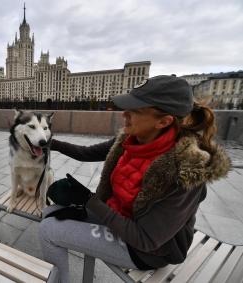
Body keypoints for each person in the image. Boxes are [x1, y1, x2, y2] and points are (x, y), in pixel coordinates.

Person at [39, 75, 231, 283]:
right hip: (120, 217)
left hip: (148, 250)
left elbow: (146, 239)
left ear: (163, 121)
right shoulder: (131, 139)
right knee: (49, 212)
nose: (124, 114)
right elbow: (87, 153)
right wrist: (51, 143)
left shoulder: (184, 170)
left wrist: (89, 201)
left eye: (135, 110)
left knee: (49, 230)